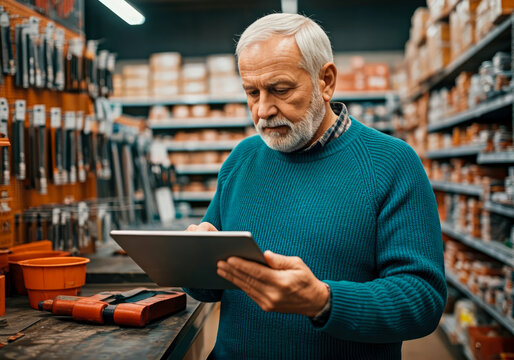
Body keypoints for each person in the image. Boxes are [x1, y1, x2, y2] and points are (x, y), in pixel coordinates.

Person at [185, 13, 447, 360]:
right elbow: (210, 286)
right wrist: (193, 260)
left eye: (280, 90)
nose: (263, 110)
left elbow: (422, 298)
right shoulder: (241, 159)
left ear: (326, 80)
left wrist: (323, 301)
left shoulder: (392, 164)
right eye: (252, 92)